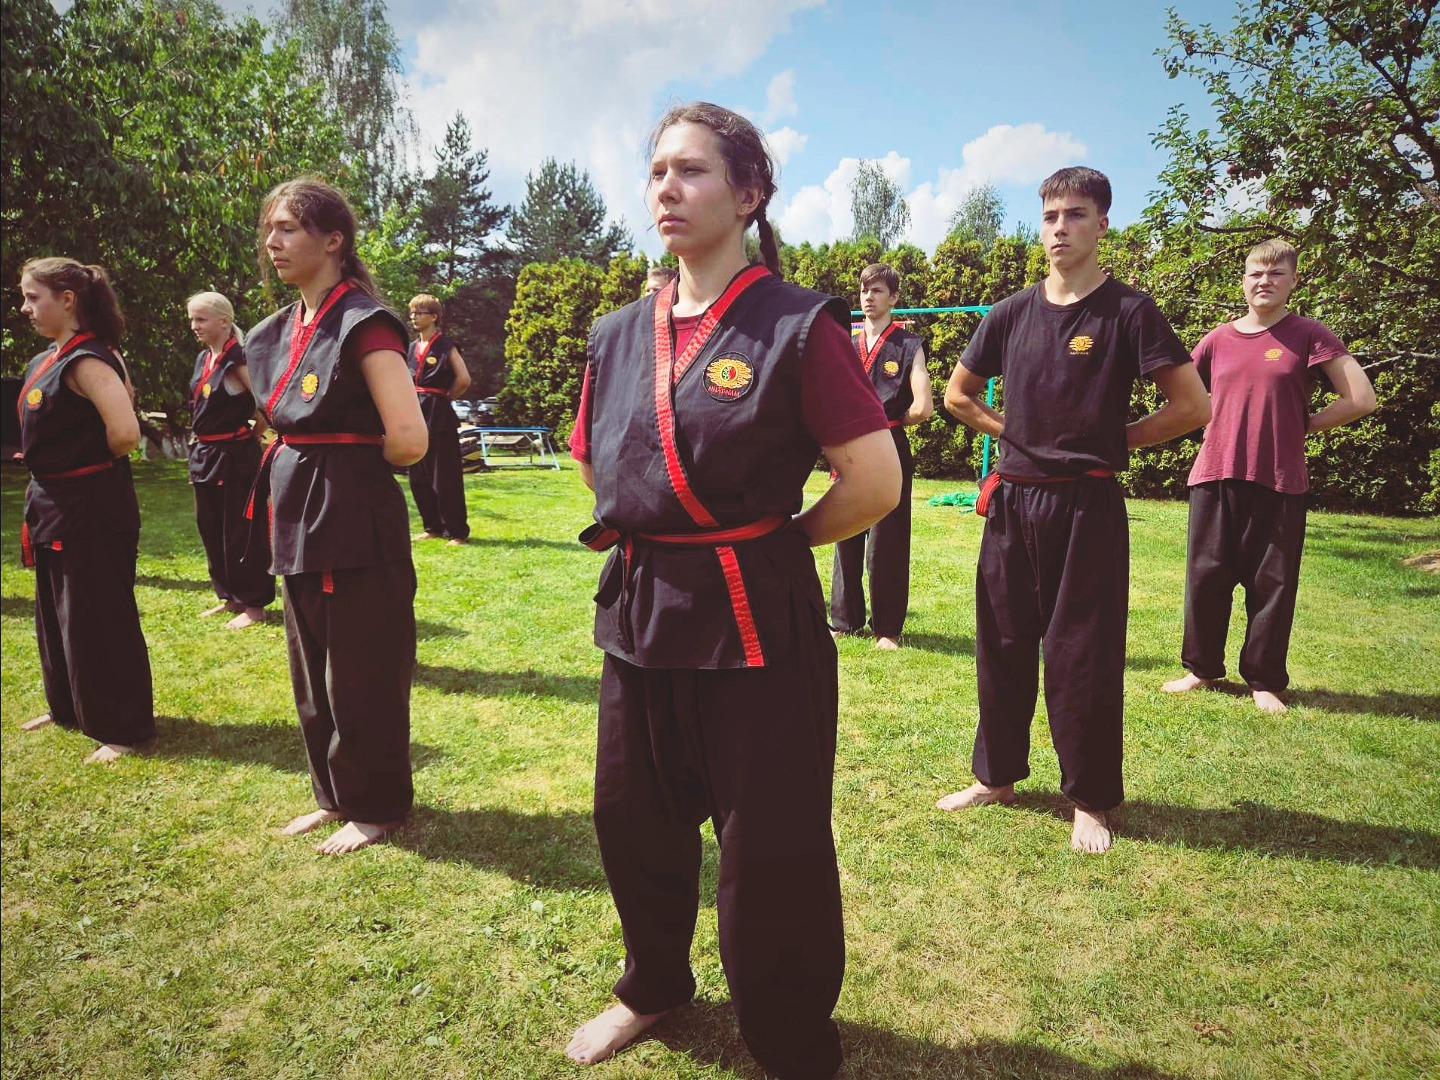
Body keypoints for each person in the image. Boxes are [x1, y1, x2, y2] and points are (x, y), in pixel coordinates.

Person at [564, 103, 901, 1078]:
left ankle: (790, 1040)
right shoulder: (615, 334)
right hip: (638, 609)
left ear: (749, 194)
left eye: (692, 170)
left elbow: (873, 481)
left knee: (770, 844)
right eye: (656, 171)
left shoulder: (797, 325)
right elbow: (595, 459)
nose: (666, 188)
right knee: (633, 816)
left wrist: (773, 545)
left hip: (755, 615)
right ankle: (653, 984)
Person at [938, 167, 1210, 854]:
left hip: (1087, 504)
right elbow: (958, 396)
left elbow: (1192, 406)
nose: (1060, 228)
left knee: (1082, 654)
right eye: (1051, 216)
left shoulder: (1129, 311)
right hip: (1013, 502)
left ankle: (1089, 799)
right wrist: (1016, 434)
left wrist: (1115, 442)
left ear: (1102, 224)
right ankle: (996, 777)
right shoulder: (1010, 312)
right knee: (1001, 643)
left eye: (1076, 215)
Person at [245, 177, 428, 856]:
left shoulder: (364, 321)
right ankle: (334, 795)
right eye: (269, 229)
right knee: (310, 663)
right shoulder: (275, 330)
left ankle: (375, 806)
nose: (273, 242)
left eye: (288, 228)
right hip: (296, 507)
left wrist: (341, 468)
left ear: (333, 241)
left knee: (361, 669)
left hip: (348, 512)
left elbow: (409, 438)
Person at [1162, 239, 1376, 712]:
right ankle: (1201, 669)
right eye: (1256, 274)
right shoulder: (1217, 340)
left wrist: (1308, 423)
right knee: (1206, 578)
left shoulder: (1308, 334)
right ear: (1243, 281)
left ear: (1293, 281)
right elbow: (1182, 396)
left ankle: (1263, 681)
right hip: (1215, 474)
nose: (1265, 281)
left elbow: (1361, 398)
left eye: (1276, 274)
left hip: (1280, 479)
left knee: (1272, 585)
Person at [16, 257, 154, 763]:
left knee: (99, 613)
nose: (25, 307)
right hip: (54, 504)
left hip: (92, 505)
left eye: (34, 297)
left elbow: (125, 434)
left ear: (68, 300)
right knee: (57, 612)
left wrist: (79, 468)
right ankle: (69, 707)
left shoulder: (90, 360)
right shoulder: (45, 360)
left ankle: (122, 726)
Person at [829, 263, 933, 649]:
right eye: (864, 290)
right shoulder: (845, 343)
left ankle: (887, 628)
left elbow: (924, 407)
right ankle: (844, 620)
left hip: (888, 444)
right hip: (850, 447)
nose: (868, 297)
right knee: (845, 532)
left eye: (876, 291)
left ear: (894, 298)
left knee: (887, 539)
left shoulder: (909, 345)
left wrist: (892, 421)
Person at [186, 291, 275, 628]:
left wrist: (254, 434)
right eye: (192, 319)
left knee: (241, 531)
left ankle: (254, 604)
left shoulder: (238, 359)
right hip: (205, 456)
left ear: (224, 321)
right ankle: (229, 597)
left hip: (235, 457)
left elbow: (265, 402)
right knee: (210, 528)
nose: (194, 326)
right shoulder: (203, 358)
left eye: (201, 319)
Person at [406, 293, 472, 545]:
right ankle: (432, 526)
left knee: (444, 476)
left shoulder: (446, 346)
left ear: (434, 317)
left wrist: (443, 398)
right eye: (412, 313)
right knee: (418, 474)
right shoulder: (410, 348)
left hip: (438, 415)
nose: (414, 317)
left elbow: (463, 379)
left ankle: (457, 531)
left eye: (419, 312)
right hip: (414, 413)